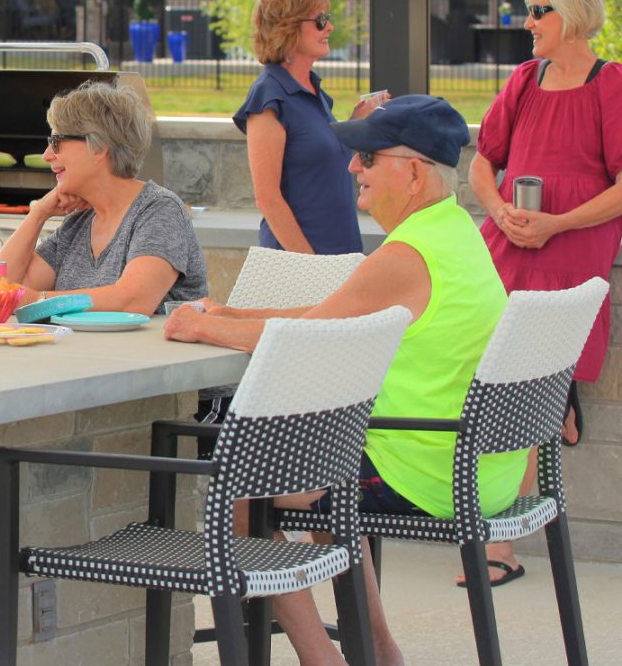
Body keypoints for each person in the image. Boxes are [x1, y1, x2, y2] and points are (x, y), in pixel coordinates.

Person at [166, 95, 528, 666]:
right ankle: (379, 649)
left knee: (239, 490)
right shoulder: (454, 231)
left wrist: (198, 328)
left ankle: (325, 658)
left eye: (367, 156)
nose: (352, 166)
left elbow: (306, 338)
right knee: (319, 469)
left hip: (426, 470)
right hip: (478, 466)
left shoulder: (408, 254)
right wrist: (228, 316)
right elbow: (329, 314)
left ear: (412, 173)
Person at [467, 0, 622, 585]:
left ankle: (501, 546)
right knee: (491, 370)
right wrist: (500, 209)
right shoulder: (524, 80)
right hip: (510, 242)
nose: (525, 22)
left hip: (569, 247)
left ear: (573, 15)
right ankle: (560, 401)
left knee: (521, 385)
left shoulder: (612, 84)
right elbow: (484, 160)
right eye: (527, 9)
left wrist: (557, 224)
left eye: (538, 11)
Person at [0, 80, 207, 314]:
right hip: (82, 350)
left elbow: (133, 301)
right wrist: (38, 214)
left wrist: (39, 300)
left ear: (98, 148)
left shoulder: (158, 210)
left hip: (148, 351)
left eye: (56, 142)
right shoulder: (78, 224)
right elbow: (1, 290)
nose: (46, 155)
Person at [234, 0, 386, 255]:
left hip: (339, 253)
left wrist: (356, 121)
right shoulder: (270, 95)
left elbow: (322, 160)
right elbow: (267, 198)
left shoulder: (312, 89)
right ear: (287, 27)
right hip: (299, 263)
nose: (329, 27)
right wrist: (310, 264)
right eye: (319, 21)